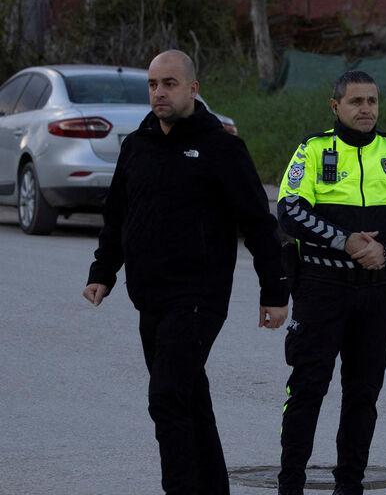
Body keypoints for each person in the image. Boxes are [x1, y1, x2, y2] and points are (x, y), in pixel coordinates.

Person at [83, 49, 289, 495]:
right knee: (190, 398)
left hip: (199, 298)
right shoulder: (136, 147)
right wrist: (103, 271)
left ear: (193, 89)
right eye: (154, 85)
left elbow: (258, 221)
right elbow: (118, 215)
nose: (160, 93)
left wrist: (275, 290)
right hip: (149, 297)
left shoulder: (222, 148)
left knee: (167, 397)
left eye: (170, 84)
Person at [274, 71, 386, 495]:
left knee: (363, 394)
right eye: (356, 102)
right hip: (321, 288)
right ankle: (289, 484)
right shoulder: (313, 149)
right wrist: (344, 240)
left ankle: (350, 485)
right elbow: (289, 209)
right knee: (307, 389)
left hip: (378, 291)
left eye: (372, 101)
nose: (366, 109)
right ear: (336, 107)